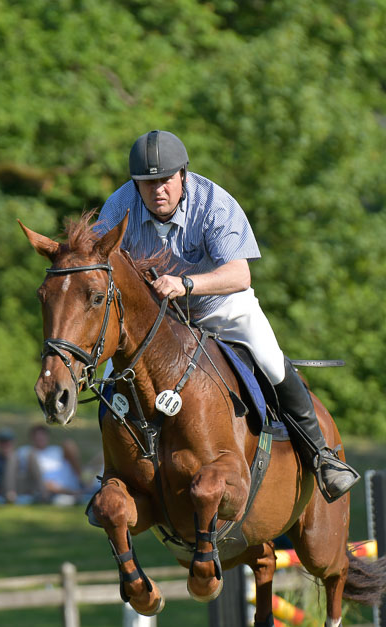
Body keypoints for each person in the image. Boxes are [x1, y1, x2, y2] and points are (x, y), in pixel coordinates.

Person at [94, 129, 359, 502]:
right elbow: (94, 265)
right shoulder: (118, 206)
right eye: (147, 182)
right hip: (159, 322)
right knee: (110, 381)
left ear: (182, 175)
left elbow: (239, 275)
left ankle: (321, 456)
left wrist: (186, 285)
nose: (158, 191)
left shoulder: (214, 203)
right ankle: (112, 473)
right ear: (135, 183)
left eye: (166, 180)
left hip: (220, 305)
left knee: (270, 359)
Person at [15, 425, 89, 504]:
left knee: (68, 443)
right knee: (32, 458)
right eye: (37, 436)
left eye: (42, 436)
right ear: (32, 438)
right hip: (42, 486)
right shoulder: (25, 451)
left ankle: (81, 484)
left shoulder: (56, 450)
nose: (40, 439)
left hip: (65, 482)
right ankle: (75, 493)